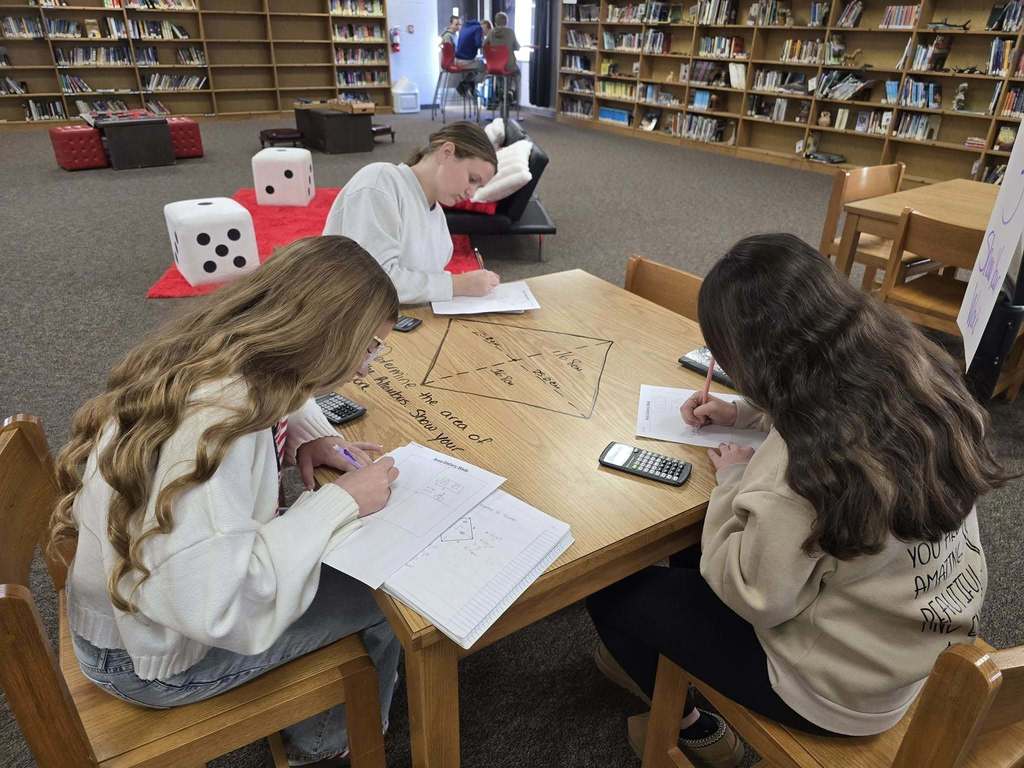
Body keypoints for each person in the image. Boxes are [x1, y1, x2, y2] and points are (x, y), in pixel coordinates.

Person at [587, 233, 1013, 767]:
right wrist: (744, 413)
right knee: (693, 567)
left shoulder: (804, 461)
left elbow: (758, 595)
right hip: (914, 644)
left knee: (613, 590)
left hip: (835, 692)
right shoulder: (915, 370)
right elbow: (830, 393)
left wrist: (734, 482)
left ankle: (697, 732)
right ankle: (659, 656)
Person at [51, 236, 405, 768]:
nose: (370, 366)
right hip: (151, 662)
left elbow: (283, 400)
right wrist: (339, 503)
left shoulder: (220, 352)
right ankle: (329, 748)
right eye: (370, 348)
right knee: (386, 595)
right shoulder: (218, 428)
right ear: (328, 337)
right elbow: (218, 605)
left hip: (126, 617)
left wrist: (310, 434)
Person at [322, 122, 500, 304]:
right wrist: (457, 285)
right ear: (446, 152)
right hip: (350, 319)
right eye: (472, 179)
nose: (471, 193)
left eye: (478, 187)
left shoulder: (436, 215)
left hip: (400, 320)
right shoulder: (380, 182)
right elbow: (372, 282)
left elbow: (422, 286)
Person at [484, 12, 520, 108]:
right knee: (517, 72)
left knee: (499, 74)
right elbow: (517, 47)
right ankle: (510, 91)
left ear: (495, 22)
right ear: (506, 22)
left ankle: (501, 91)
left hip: (494, 66)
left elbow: (484, 45)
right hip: (508, 65)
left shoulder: (491, 32)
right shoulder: (510, 32)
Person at [453, 17, 485, 95]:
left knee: (475, 67)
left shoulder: (464, 27)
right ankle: (465, 84)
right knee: (484, 66)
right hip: (465, 61)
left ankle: (469, 84)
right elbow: (478, 44)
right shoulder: (478, 28)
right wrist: (484, 42)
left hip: (456, 59)